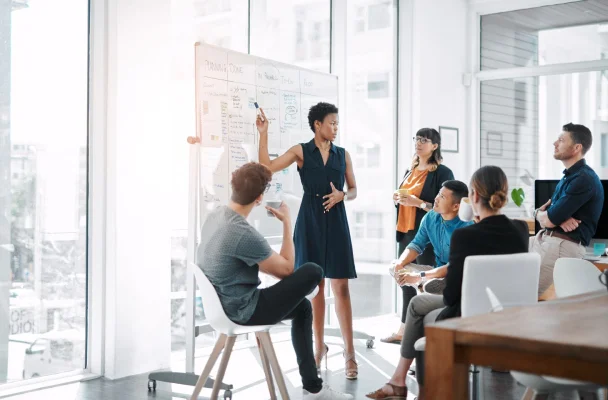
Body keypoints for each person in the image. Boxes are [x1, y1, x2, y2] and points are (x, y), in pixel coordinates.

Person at [366, 166, 529, 400]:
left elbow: (452, 297)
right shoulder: (521, 230)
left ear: (471, 197)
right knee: (420, 304)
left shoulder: (465, 235)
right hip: (509, 319)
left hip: (470, 318)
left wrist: (423, 280)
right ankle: (400, 382)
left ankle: (411, 386)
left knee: (420, 312)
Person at [197, 162, 353, 400]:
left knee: (301, 308)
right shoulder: (242, 232)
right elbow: (288, 269)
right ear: (259, 198)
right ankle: (314, 388)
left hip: (222, 304)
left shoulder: (215, 215)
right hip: (242, 311)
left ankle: (314, 388)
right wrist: (287, 223)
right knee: (312, 270)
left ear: (233, 186)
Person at [256, 102, 359, 379]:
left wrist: (342, 196)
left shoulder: (343, 155)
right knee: (316, 287)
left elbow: (354, 190)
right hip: (310, 221)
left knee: (341, 288)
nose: (336, 127)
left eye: (338, 123)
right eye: (332, 123)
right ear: (317, 125)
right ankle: (318, 348)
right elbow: (267, 167)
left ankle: (350, 354)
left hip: (336, 222)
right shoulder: (301, 151)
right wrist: (263, 133)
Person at [382, 128, 454, 345]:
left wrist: (418, 203)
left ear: (435, 146)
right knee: (404, 280)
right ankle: (404, 332)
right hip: (406, 232)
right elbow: (406, 198)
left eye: (425, 140)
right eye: (417, 138)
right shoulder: (409, 170)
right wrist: (398, 198)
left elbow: (447, 207)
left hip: (427, 236)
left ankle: (426, 335)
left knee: (425, 285)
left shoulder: (442, 173)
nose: (419, 143)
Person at [381, 180, 472, 344]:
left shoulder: (466, 227)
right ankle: (425, 284)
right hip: (436, 272)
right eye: (438, 193)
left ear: (456, 206)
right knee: (394, 266)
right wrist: (400, 265)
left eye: (442, 197)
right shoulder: (431, 217)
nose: (436, 199)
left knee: (428, 280)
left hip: (456, 275)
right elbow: (416, 245)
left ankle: (424, 282)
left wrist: (419, 276)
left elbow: (455, 266)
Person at [531, 123, 604, 298]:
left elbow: (549, 218)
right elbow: (546, 215)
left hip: (559, 246)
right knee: (516, 288)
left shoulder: (583, 180)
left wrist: (550, 217)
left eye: (561, 140)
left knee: (525, 295)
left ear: (577, 148)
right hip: (546, 241)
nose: (555, 143)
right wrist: (545, 215)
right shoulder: (569, 177)